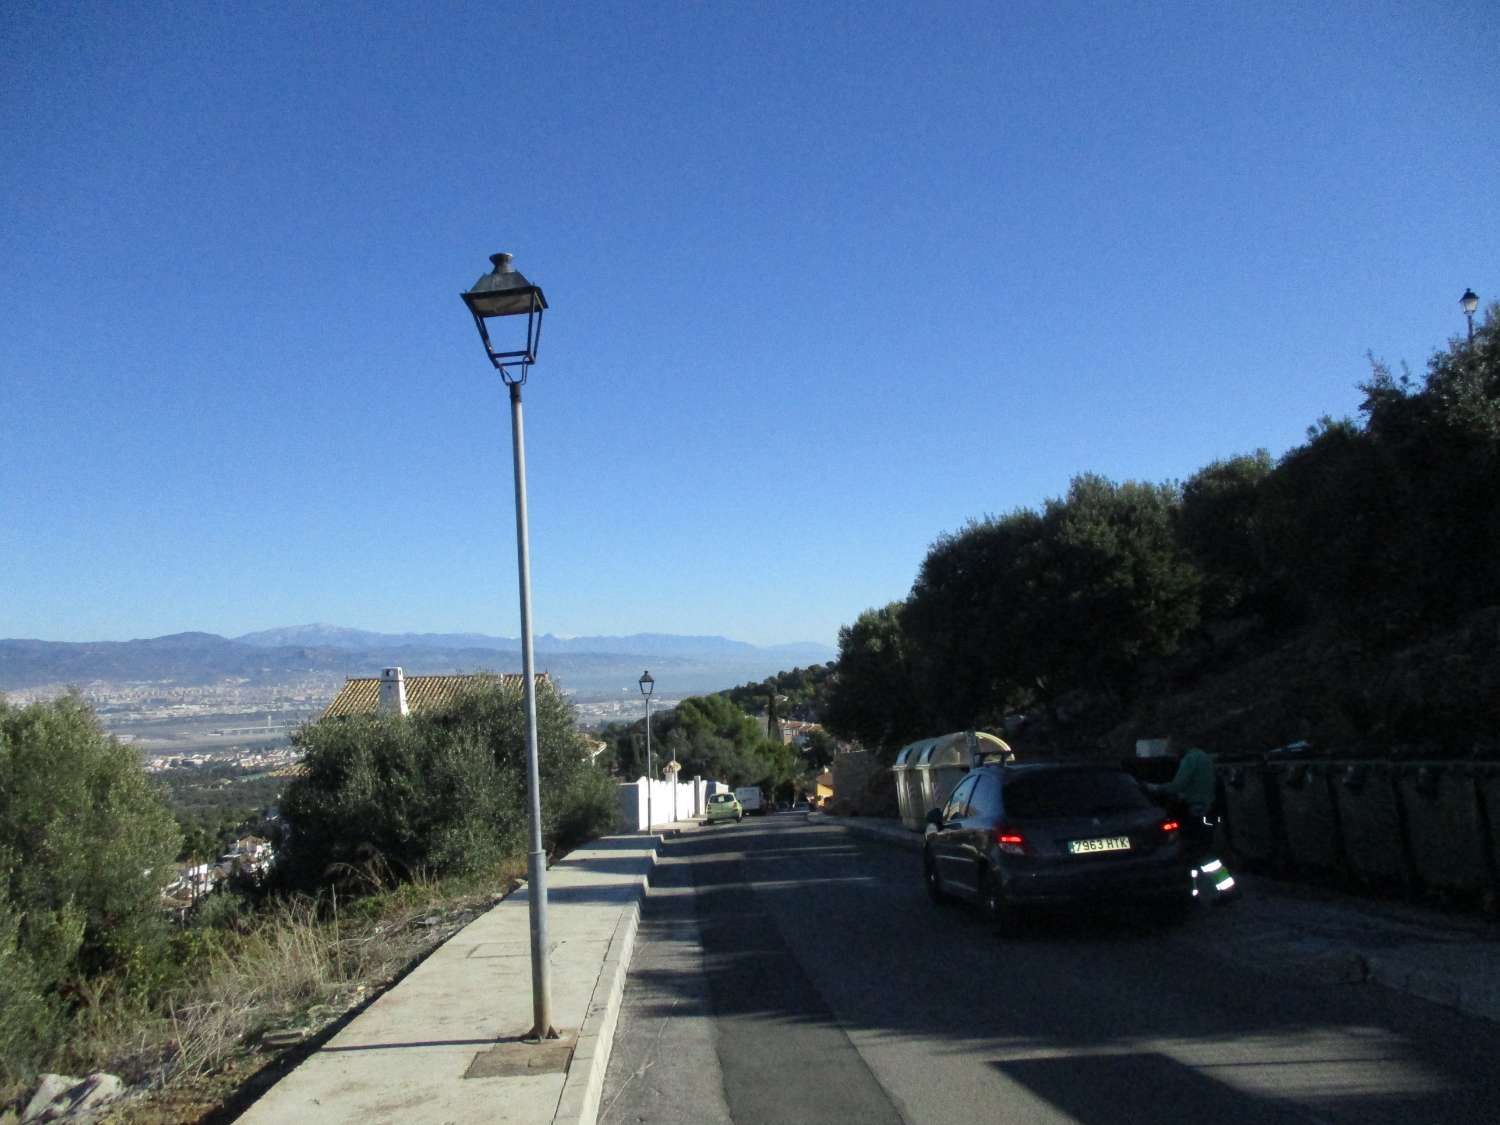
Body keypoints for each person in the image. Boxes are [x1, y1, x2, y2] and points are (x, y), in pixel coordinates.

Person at [1152, 747, 1238, 904]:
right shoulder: (1203, 757)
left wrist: (1157, 788)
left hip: (1195, 811)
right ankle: (1223, 890)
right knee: (1203, 852)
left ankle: (1196, 893)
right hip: (1206, 809)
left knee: (1196, 852)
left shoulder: (1191, 760)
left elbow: (1178, 785)